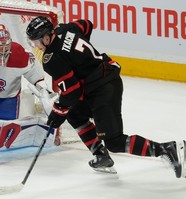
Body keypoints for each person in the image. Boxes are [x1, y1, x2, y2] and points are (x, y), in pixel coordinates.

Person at [26, 16, 186, 178]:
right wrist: (79, 58)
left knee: (114, 142)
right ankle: (100, 156)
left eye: (36, 42)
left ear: (46, 38)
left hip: (103, 89)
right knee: (74, 113)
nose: (36, 47)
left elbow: (72, 92)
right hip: (102, 77)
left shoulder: (52, 59)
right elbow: (86, 24)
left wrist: (58, 111)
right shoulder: (65, 29)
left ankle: (167, 149)